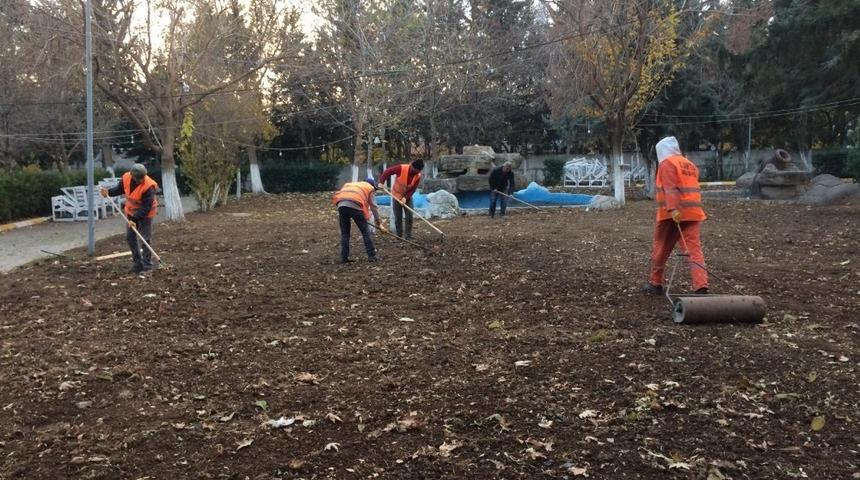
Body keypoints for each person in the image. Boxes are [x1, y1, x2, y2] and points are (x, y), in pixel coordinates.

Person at [643, 136, 709, 295]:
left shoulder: (667, 163)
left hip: (672, 214)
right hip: (693, 212)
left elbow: (671, 188)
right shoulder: (690, 164)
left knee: (661, 247)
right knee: (694, 249)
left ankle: (655, 283)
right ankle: (701, 285)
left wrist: (672, 209)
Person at [100, 163, 159, 273]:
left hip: (146, 214)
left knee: (145, 238)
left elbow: (146, 207)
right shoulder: (126, 177)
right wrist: (108, 192)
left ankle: (147, 266)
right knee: (130, 238)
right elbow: (120, 189)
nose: (141, 180)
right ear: (132, 175)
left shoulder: (149, 186)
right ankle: (138, 264)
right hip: (131, 212)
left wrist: (134, 219)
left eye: (142, 177)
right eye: (138, 178)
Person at [332, 177, 382, 264]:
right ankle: (372, 256)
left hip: (341, 205)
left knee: (345, 233)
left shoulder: (350, 184)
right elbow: (373, 207)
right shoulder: (370, 188)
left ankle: (344, 257)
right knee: (365, 231)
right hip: (355, 204)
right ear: (373, 186)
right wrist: (378, 222)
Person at [379, 159, 424, 239]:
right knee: (398, 217)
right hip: (396, 195)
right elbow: (388, 171)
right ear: (412, 165)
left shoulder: (418, 176)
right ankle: (399, 236)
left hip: (407, 197)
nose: (415, 172)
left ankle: (408, 236)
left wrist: (406, 198)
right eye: (414, 169)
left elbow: (413, 189)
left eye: (417, 171)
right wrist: (381, 182)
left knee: (409, 216)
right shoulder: (401, 168)